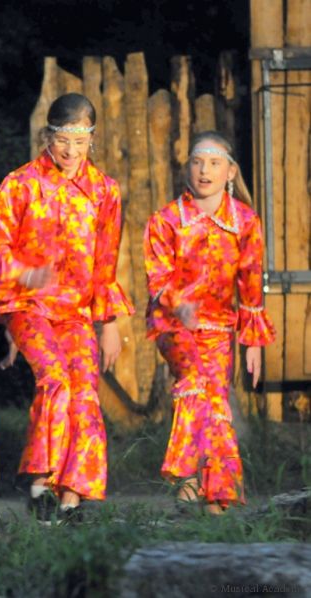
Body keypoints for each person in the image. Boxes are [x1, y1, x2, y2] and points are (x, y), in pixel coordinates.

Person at [0, 93, 133, 524]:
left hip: (77, 313)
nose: (69, 150)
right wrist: (23, 273)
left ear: (92, 141)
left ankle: (71, 498)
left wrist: (108, 324)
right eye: (62, 139)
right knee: (56, 381)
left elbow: (105, 262)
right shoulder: (22, 183)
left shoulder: (104, 191)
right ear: (48, 135)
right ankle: (40, 481)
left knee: (84, 393)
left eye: (79, 142)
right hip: (28, 306)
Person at [144, 131, 274, 515]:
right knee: (196, 383)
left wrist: (253, 342)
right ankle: (187, 481)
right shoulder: (166, 220)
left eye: (214, 163)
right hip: (174, 326)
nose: (204, 171)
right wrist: (179, 305)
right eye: (198, 162)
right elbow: (158, 280)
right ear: (189, 167)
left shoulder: (245, 222)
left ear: (230, 170)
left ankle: (217, 498)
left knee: (216, 402)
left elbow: (250, 286)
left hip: (219, 328)